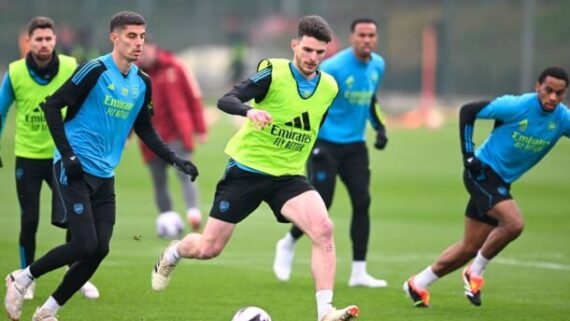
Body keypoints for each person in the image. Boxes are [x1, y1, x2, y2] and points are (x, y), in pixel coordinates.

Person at [151, 15, 359, 321]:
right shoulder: (272, 73)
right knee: (209, 248)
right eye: (308, 50)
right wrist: (250, 112)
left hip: (287, 175)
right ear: (294, 46)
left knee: (324, 229)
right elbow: (227, 99)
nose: (313, 58)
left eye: (319, 52)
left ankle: (325, 311)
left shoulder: (329, 87)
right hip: (246, 171)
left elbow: (316, 123)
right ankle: (175, 252)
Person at [4, 11, 198, 321]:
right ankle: (23, 277)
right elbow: (53, 106)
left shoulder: (142, 83)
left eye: (142, 36)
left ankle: (47, 311)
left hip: (105, 176)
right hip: (74, 168)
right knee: (84, 243)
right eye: (131, 36)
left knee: (100, 249)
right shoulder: (94, 70)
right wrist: (67, 155)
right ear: (114, 38)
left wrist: (174, 159)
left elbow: (145, 128)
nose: (138, 43)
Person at [403, 66, 570, 308]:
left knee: (469, 247)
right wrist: (468, 155)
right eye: (548, 90)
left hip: (501, 182)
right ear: (537, 87)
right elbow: (468, 110)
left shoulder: (561, 118)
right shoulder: (517, 106)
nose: (553, 97)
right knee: (514, 223)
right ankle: (475, 272)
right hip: (481, 172)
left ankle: (418, 283)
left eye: (559, 93)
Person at [273, 17, 389, 288]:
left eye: (371, 35)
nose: (367, 40)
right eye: (362, 35)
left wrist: (380, 127)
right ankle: (288, 243)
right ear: (352, 37)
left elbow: (371, 98)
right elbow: (313, 102)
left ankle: (359, 272)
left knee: (362, 202)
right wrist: (309, 142)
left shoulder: (378, 65)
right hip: (325, 144)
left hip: (355, 146)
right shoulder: (334, 67)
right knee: (322, 205)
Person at [0, 16, 99, 301]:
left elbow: (90, 102)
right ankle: (23, 278)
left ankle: (75, 274)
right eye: (38, 39)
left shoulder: (71, 67)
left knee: (74, 220)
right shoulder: (15, 72)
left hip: (62, 157)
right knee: (29, 220)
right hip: (28, 158)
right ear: (28, 42)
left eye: (48, 39)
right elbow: (1, 111)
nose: (43, 44)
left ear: (55, 40)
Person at [137, 39, 208, 234]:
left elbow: (194, 97)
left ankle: (193, 213)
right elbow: (129, 106)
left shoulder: (175, 67)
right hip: (150, 137)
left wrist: (200, 128)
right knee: (159, 180)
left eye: (145, 50)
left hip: (176, 133)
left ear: (154, 48)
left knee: (185, 173)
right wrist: (125, 135)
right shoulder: (135, 74)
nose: (142, 55)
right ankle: (167, 219)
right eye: (139, 52)